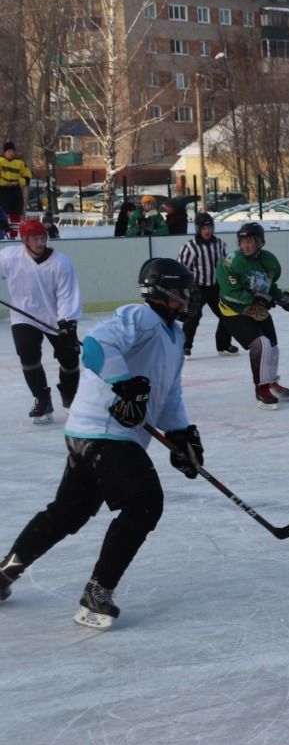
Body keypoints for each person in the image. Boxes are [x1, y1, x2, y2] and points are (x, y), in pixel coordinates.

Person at [0, 257, 204, 629]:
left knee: (67, 513)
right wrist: (124, 384)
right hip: (105, 432)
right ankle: (97, 592)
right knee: (144, 503)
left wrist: (181, 436)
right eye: (183, 290)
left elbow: (168, 394)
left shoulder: (173, 337)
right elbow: (94, 346)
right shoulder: (141, 318)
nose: (189, 296)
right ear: (163, 292)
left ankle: (3, 573)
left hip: (93, 432)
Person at [0, 218, 83, 423]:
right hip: (24, 316)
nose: (40, 243)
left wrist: (67, 322)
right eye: (35, 239)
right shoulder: (10, 257)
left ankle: (70, 398)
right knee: (27, 353)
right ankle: (42, 399)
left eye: (42, 238)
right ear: (24, 240)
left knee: (69, 357)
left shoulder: (60, 263)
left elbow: (67, 295)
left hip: (56, 319)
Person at [215, 221, 289, 409]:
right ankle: (261, 390)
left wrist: (285, 299)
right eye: (242, 241)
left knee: (273, 347)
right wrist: (258, 299)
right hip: (233, 311)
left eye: (250, 241)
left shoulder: (270, 261)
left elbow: (270, 287)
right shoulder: (231, 262)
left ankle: (271, 380)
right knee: (261, 345)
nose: (245, 245)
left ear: (260, 242)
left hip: (257, 310)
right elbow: (230, 292)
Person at [177, 212, 237, 357]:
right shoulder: (190, 247)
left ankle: (223, 344)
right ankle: (185, 346)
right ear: (198, 229)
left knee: (227, 315)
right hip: (197, 287)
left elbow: (225, 265)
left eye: (210, 227)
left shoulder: (220, 244)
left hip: (216, 287)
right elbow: (182, 269)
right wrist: (186, 289)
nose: (207, 230)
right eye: (204, 228)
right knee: (192, 317)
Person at [0, 141, 32, 239]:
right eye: (9, 151)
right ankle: (3, 233)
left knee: (15, 213)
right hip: (3, 190)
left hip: (16, 190)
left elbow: (27, 178)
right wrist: (5, 183)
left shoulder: (20, 163)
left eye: (13, 151)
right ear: (5, 152)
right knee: (3, 212)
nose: (11, 153)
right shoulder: (0, 161)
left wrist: (18, 182)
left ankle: (13, 235)